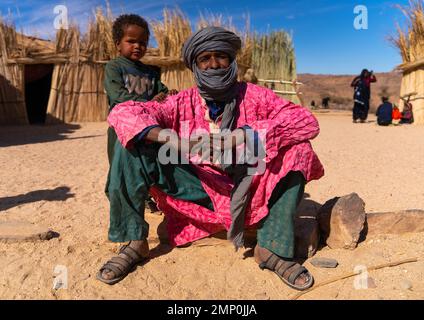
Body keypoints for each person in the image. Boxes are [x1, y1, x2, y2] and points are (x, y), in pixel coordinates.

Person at [98, 26, 325, 291]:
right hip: (199, 189)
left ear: (232, 60)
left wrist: (243, 136)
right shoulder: (181, 101)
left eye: (221, 56)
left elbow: (305, 121)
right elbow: (124, 113)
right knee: (132, 145)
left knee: (299, 150)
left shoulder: (256, 96)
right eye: (204, 58)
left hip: (253, 188)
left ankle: (271, 248)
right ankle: (134, 241)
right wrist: (170, 138)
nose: (213, 64)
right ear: (195, 65)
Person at [103, 14, 177, 258]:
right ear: (118, 43)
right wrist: (149, 101)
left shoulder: (151, 72)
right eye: (131, 41)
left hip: (148, 130)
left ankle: (148, 199)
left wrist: (169, 94)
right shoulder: (114, 67)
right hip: (121, 131)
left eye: (143, 42)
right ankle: (129, 223)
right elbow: (118, 97)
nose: (138, 46)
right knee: (120, 170)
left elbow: (162, 94)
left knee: (147, 168)